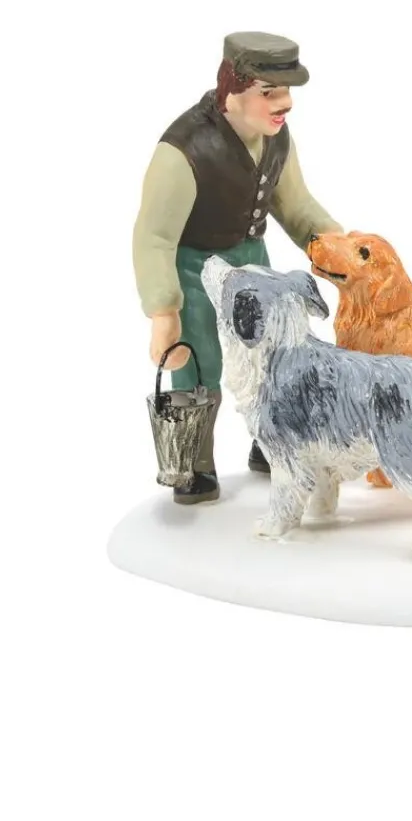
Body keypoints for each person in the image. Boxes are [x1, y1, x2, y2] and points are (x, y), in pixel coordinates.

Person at [133, 32, 343, 503]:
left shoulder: (275, 137)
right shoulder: (183, 150)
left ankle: (269, 443)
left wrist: (334, 244)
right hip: (195, 268)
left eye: (286, 91)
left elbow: (295, 204)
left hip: (252, 261)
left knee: (273, 356)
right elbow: (154, 237)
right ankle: (194, 463)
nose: (285, 103)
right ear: (233, 89)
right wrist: (164, 311)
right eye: (270, 92)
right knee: (199, 364)